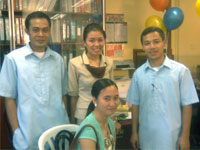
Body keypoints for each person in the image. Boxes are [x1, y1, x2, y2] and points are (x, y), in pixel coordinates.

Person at [0, 11, 69, 150]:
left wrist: (65, 125)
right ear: (27, 31)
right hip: (28, 135)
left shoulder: (58, 60)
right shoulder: (13, 59)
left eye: (45, 30)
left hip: (57, 132)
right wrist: (16, 132)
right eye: (35, 30)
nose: (41, 35)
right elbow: (9, 99)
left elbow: (63, 95)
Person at [126, 27, 199, 150]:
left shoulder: (180, 71)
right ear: (143, 46)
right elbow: (135, 105)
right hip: (146, 138)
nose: (152, 47)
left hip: (172, 139)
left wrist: (185, 136)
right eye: (147, 43)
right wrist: (134, 132)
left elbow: (187, 106)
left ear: (164, 42)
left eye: (156, 41)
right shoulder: (138, 74)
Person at [67, 22, 113, 124]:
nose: (97, 44)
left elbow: (112, 93)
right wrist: (73, 121)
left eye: (100, 40)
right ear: (84, 42)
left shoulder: (109, 62)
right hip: (84, 116)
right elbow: (73, 95)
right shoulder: (75, 64)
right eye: (92, 40)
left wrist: (114, 118)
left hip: (105, 114)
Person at [73, 78, 120, 149]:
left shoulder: (110, 123)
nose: (112, 104)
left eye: (115, 98)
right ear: (94, 100)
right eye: (107, 98)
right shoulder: (88, 130)